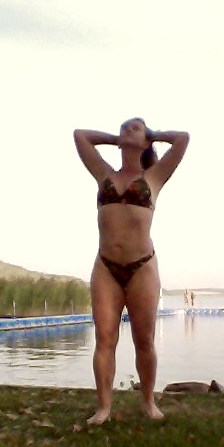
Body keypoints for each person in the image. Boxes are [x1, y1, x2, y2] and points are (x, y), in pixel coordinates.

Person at [74, 118, 189, 424]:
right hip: (106, 267)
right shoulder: (104, 174)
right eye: (124, 126)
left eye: (135, 127)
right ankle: (103, 408)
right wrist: (117, 140)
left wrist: (153, 135)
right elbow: (80, 135)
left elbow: (182, 138)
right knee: (104, 338)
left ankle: (148, 402)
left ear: (146, 140)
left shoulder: (154, 176)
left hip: (142, 267)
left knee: (144, 340)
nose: (127, 129)